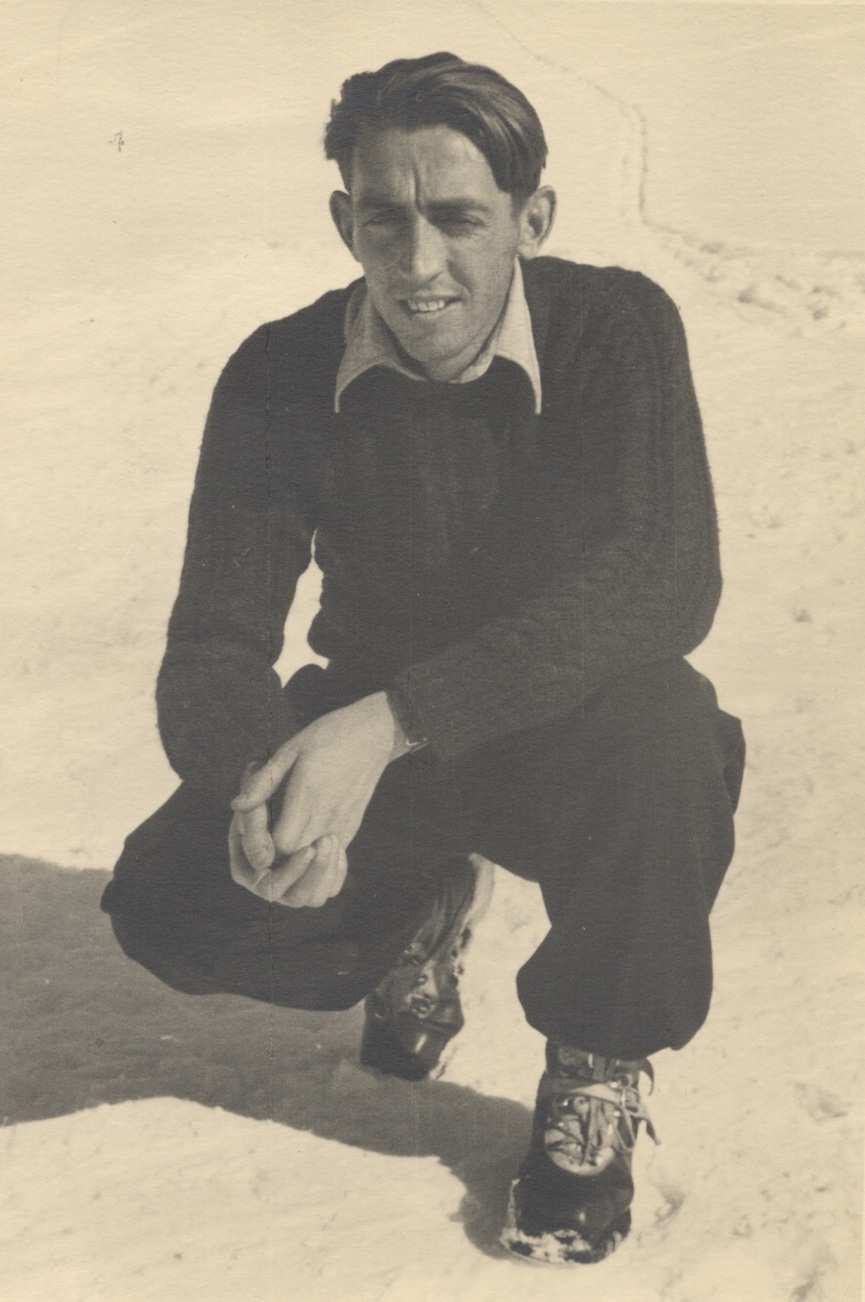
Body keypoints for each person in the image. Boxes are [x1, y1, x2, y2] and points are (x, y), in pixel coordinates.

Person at [101, 52, 745, 1265]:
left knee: (666, 734)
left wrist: (386, 723)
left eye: (458, 219)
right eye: (383, 220)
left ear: (531, 219)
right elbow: (214, 637)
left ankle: (598, 1062)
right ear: (343, 218)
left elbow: (662, 580)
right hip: (381, 743)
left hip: (568, 731)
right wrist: (256, 781)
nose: (417, 264)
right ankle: (417, 920)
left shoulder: (615, 330)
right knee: (173, 910)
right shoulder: (278, 371)